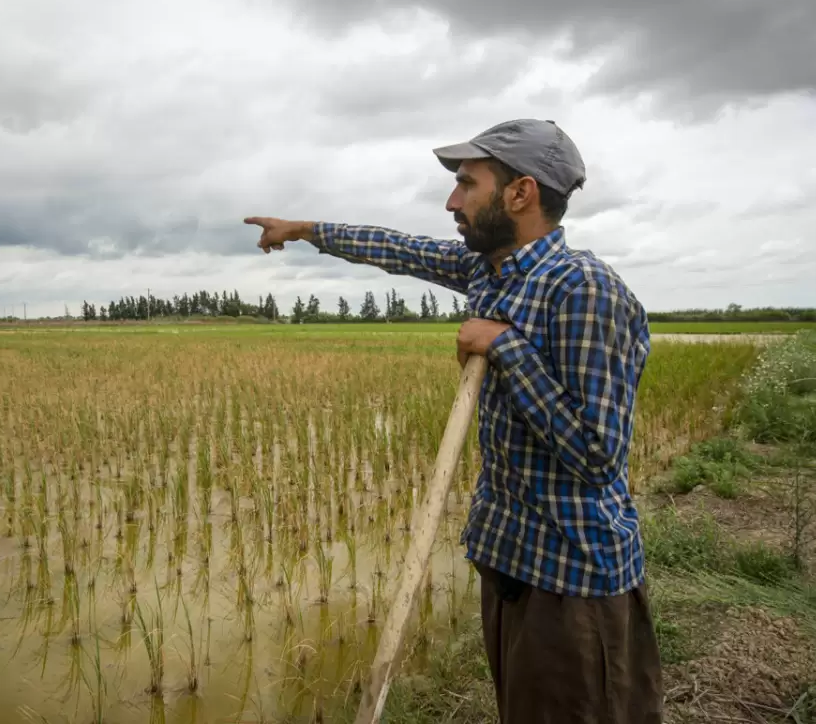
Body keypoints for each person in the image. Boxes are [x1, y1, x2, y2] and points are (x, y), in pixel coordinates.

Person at [244, 119, 663, 724]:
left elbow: (598, 456)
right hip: (512, 562)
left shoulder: (583, 290)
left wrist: (505, 348)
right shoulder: (489, 271)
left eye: (467, 184)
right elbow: (401, 250)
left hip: (572, 584)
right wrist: (307, 230)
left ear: (520, 193)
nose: (451, 201)